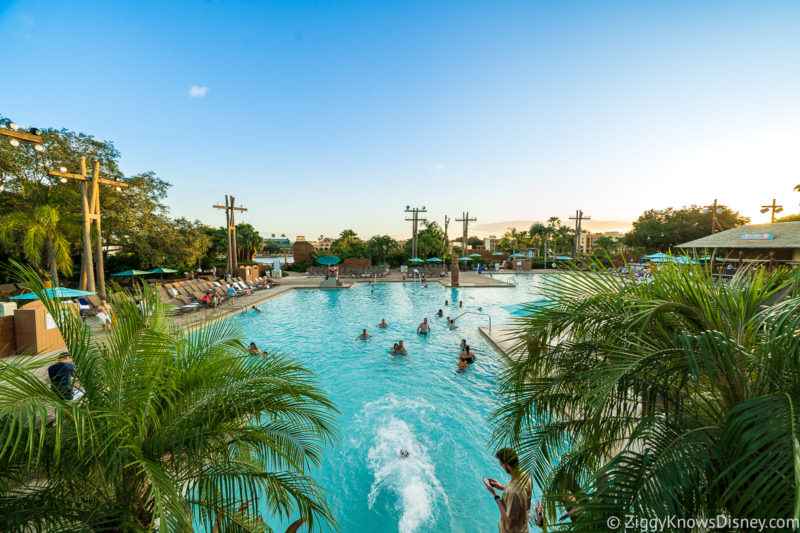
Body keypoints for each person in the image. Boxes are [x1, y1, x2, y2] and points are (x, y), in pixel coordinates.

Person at [484, 448, 533, 533]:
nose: (500, 465)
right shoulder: (526, 477)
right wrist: (502, 487)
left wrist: (496, 496)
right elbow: (520, 495)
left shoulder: (513, 494)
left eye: (501, 463)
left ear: (509, 467)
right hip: (523, 528)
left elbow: (510, 523)